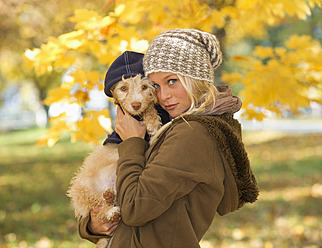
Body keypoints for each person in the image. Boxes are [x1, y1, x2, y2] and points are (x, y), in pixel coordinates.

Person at [78, 28, 259, 248]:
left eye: (172, 81)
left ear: (195, 78)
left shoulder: (192, 134)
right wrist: (93, 226)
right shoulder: (175, 127)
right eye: (155, 85)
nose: (163, 96)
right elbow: (132, 197)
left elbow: (135, 208)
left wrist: (131, 143)